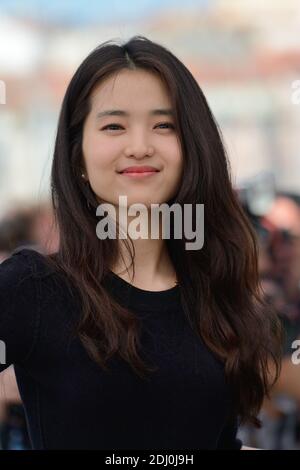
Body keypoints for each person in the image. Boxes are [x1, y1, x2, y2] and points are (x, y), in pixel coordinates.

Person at [0, 35, 282, 450]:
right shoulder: (33, 289)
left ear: (192, 147)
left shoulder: (218, 296)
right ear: (78, 156)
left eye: (164, 125)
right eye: (114, 126)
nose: (139, 146)